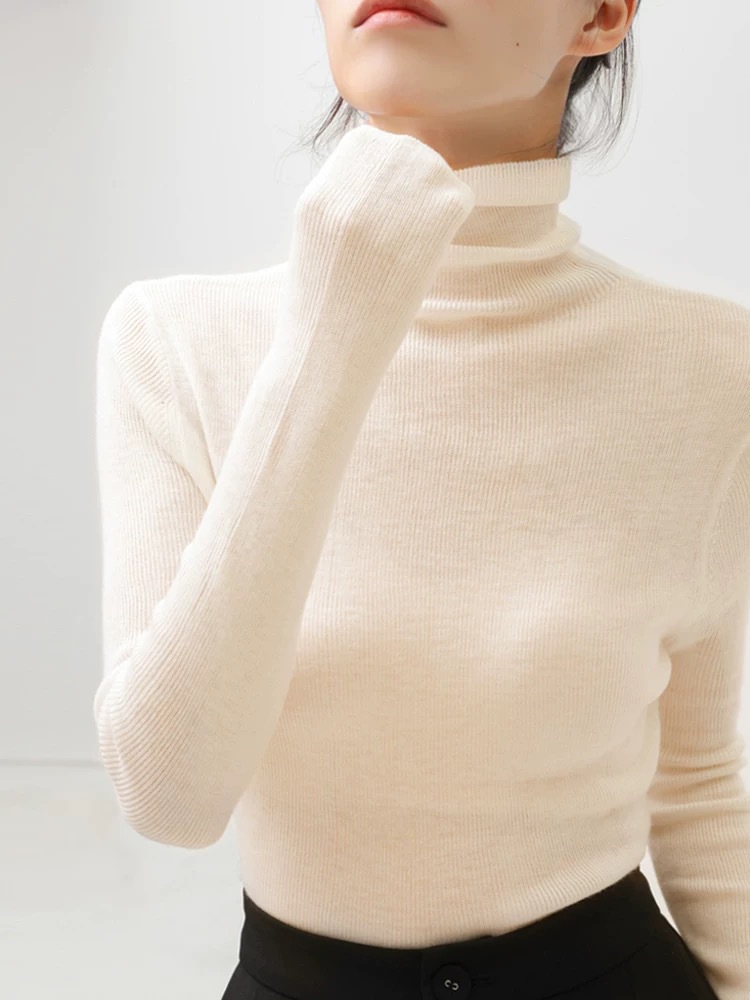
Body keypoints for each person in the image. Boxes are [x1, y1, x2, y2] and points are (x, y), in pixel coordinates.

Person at [93, 1, 750, 997]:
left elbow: (698, 783)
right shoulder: (175, 345)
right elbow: (168, 797)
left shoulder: (708, 368)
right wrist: (333, 329)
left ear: (602, 13)